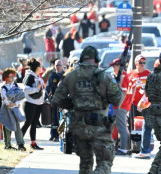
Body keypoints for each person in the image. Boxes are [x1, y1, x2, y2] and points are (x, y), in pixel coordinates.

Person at [52, 46, 123, 174]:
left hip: (79, 125)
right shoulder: (104, 76)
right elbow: (117, 100)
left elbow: (57, 99)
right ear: (96, 60)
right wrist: (117, 86)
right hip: (99, 125)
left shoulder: (71, 76)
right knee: (105, 162)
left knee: (85, 162)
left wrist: (73, 105)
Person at [128, 55, 152, 159]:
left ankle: (145, 147)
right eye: (140, 62)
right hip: (133, 103)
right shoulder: (131, 74)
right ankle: (131, 146)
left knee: (146, 126)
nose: (142, 64)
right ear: (136, 63)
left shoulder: (148, 74)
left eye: (144, 63)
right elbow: (128, 87)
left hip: (145, 104)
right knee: (131, 125)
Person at [0, 68, 26, 151]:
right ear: (6, 78)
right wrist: (10, 104)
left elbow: (21, 96)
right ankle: (7, 144)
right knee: (7, 126)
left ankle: (20, 144)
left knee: (17, 126)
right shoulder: (4, 88)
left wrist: (16, 103)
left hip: (15, 109)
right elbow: (4, 99)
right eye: (11, 77)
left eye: (14, 76)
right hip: (6, 109)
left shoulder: (16, 86)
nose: (13, 78)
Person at [109, 58, 132, 155]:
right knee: (117, 127)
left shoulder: (123, 76)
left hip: (120, 106)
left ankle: (123, 149)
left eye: (115, 65)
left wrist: (118, 105)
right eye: (113, 65)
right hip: (117, 106)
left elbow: (124, 92)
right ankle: (120, 147)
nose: (113, 67)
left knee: (122, 127)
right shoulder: (118, 75)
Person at [21, 58, 45, 150]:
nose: (42, 68)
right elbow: (25, 90)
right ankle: (20, 142)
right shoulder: (30, 76)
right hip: (30, 103)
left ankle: (33, 143)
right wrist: (37, 88)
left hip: (37, 103)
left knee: (34, 123)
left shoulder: (37, 77)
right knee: (28, 123)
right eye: (40, 66)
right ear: (37, 67)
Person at [46, 60, 65, 142]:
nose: (58, 67)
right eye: (56, 65)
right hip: (54, 99)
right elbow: (48, 87)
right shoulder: (52, 76)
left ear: (62, 66)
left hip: (63, 100)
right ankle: (53, 134)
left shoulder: (65, 75)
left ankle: (60, 135)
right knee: (54, 118)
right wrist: (46, 98)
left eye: (59, 65)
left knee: (61, 118)